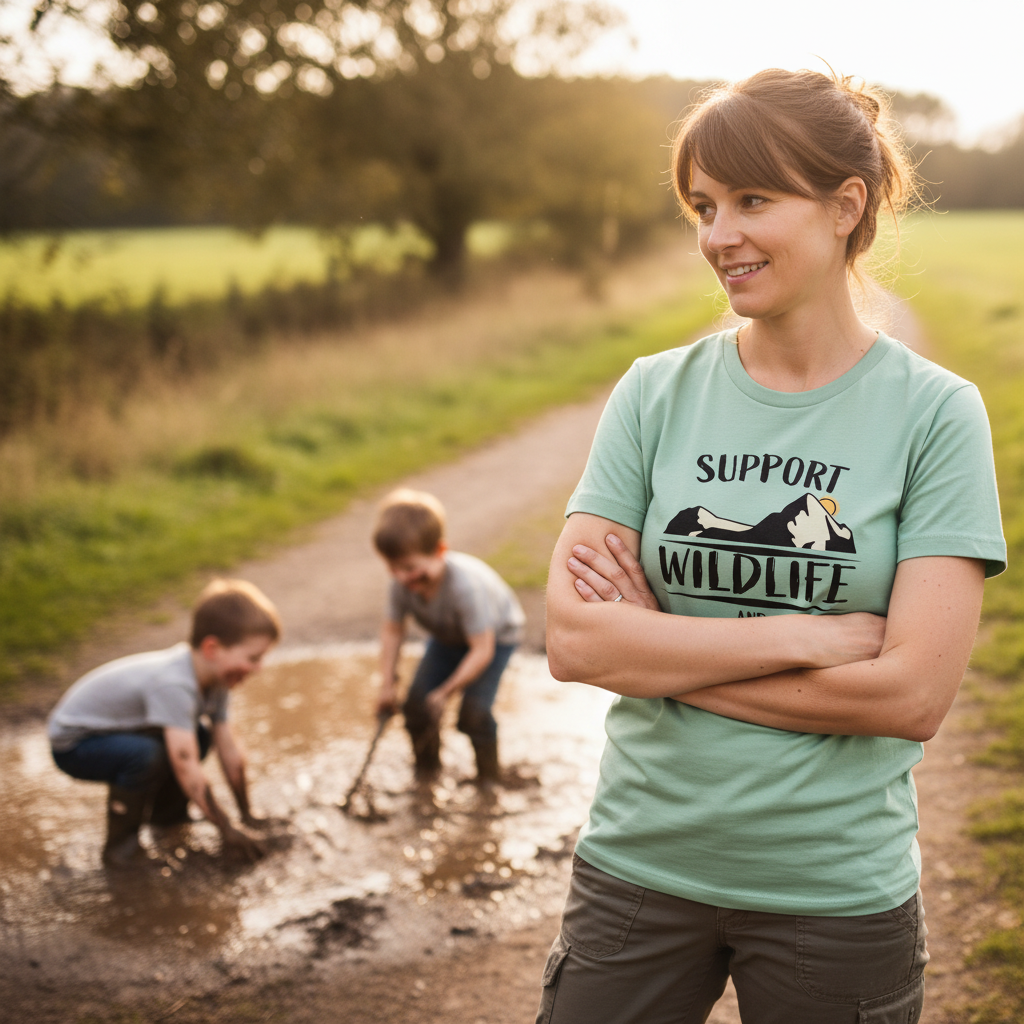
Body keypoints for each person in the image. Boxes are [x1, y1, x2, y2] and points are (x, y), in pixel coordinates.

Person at [539, 69, 1007, 1024]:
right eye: (704, 206)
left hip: (833, 893)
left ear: (847, 206)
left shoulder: (936, 415)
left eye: (753, 200)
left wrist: (659, 654)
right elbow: (578, 644)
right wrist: (813, 636)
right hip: (637, 868)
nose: (719, 236)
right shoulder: (652, 394)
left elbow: (912, 696)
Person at [48, 578, 279, 867]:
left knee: (199, 736)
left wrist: (247, 815)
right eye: (253, 658)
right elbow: (185, 763)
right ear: (212, 649)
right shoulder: (175, 685)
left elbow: (230, 752)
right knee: (147, 756)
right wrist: (227, 828)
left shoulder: (218, 680)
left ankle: (168, 821)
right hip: (75, 743)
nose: (258, 669)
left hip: (123, 731)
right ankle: (121, 850)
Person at [373, 488, 525, 784]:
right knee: (417, 706)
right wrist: (387, 683)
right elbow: (393, 631)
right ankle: (427, 775)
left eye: (410, 568)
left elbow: (482, 650)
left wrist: (446, 692)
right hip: (448, 637)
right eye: (392, 568)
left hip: (494, 639)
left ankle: (489, 781)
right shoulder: (400, 585)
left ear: (440, 552)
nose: (402, 578)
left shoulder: (465, 588)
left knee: (474, 713)